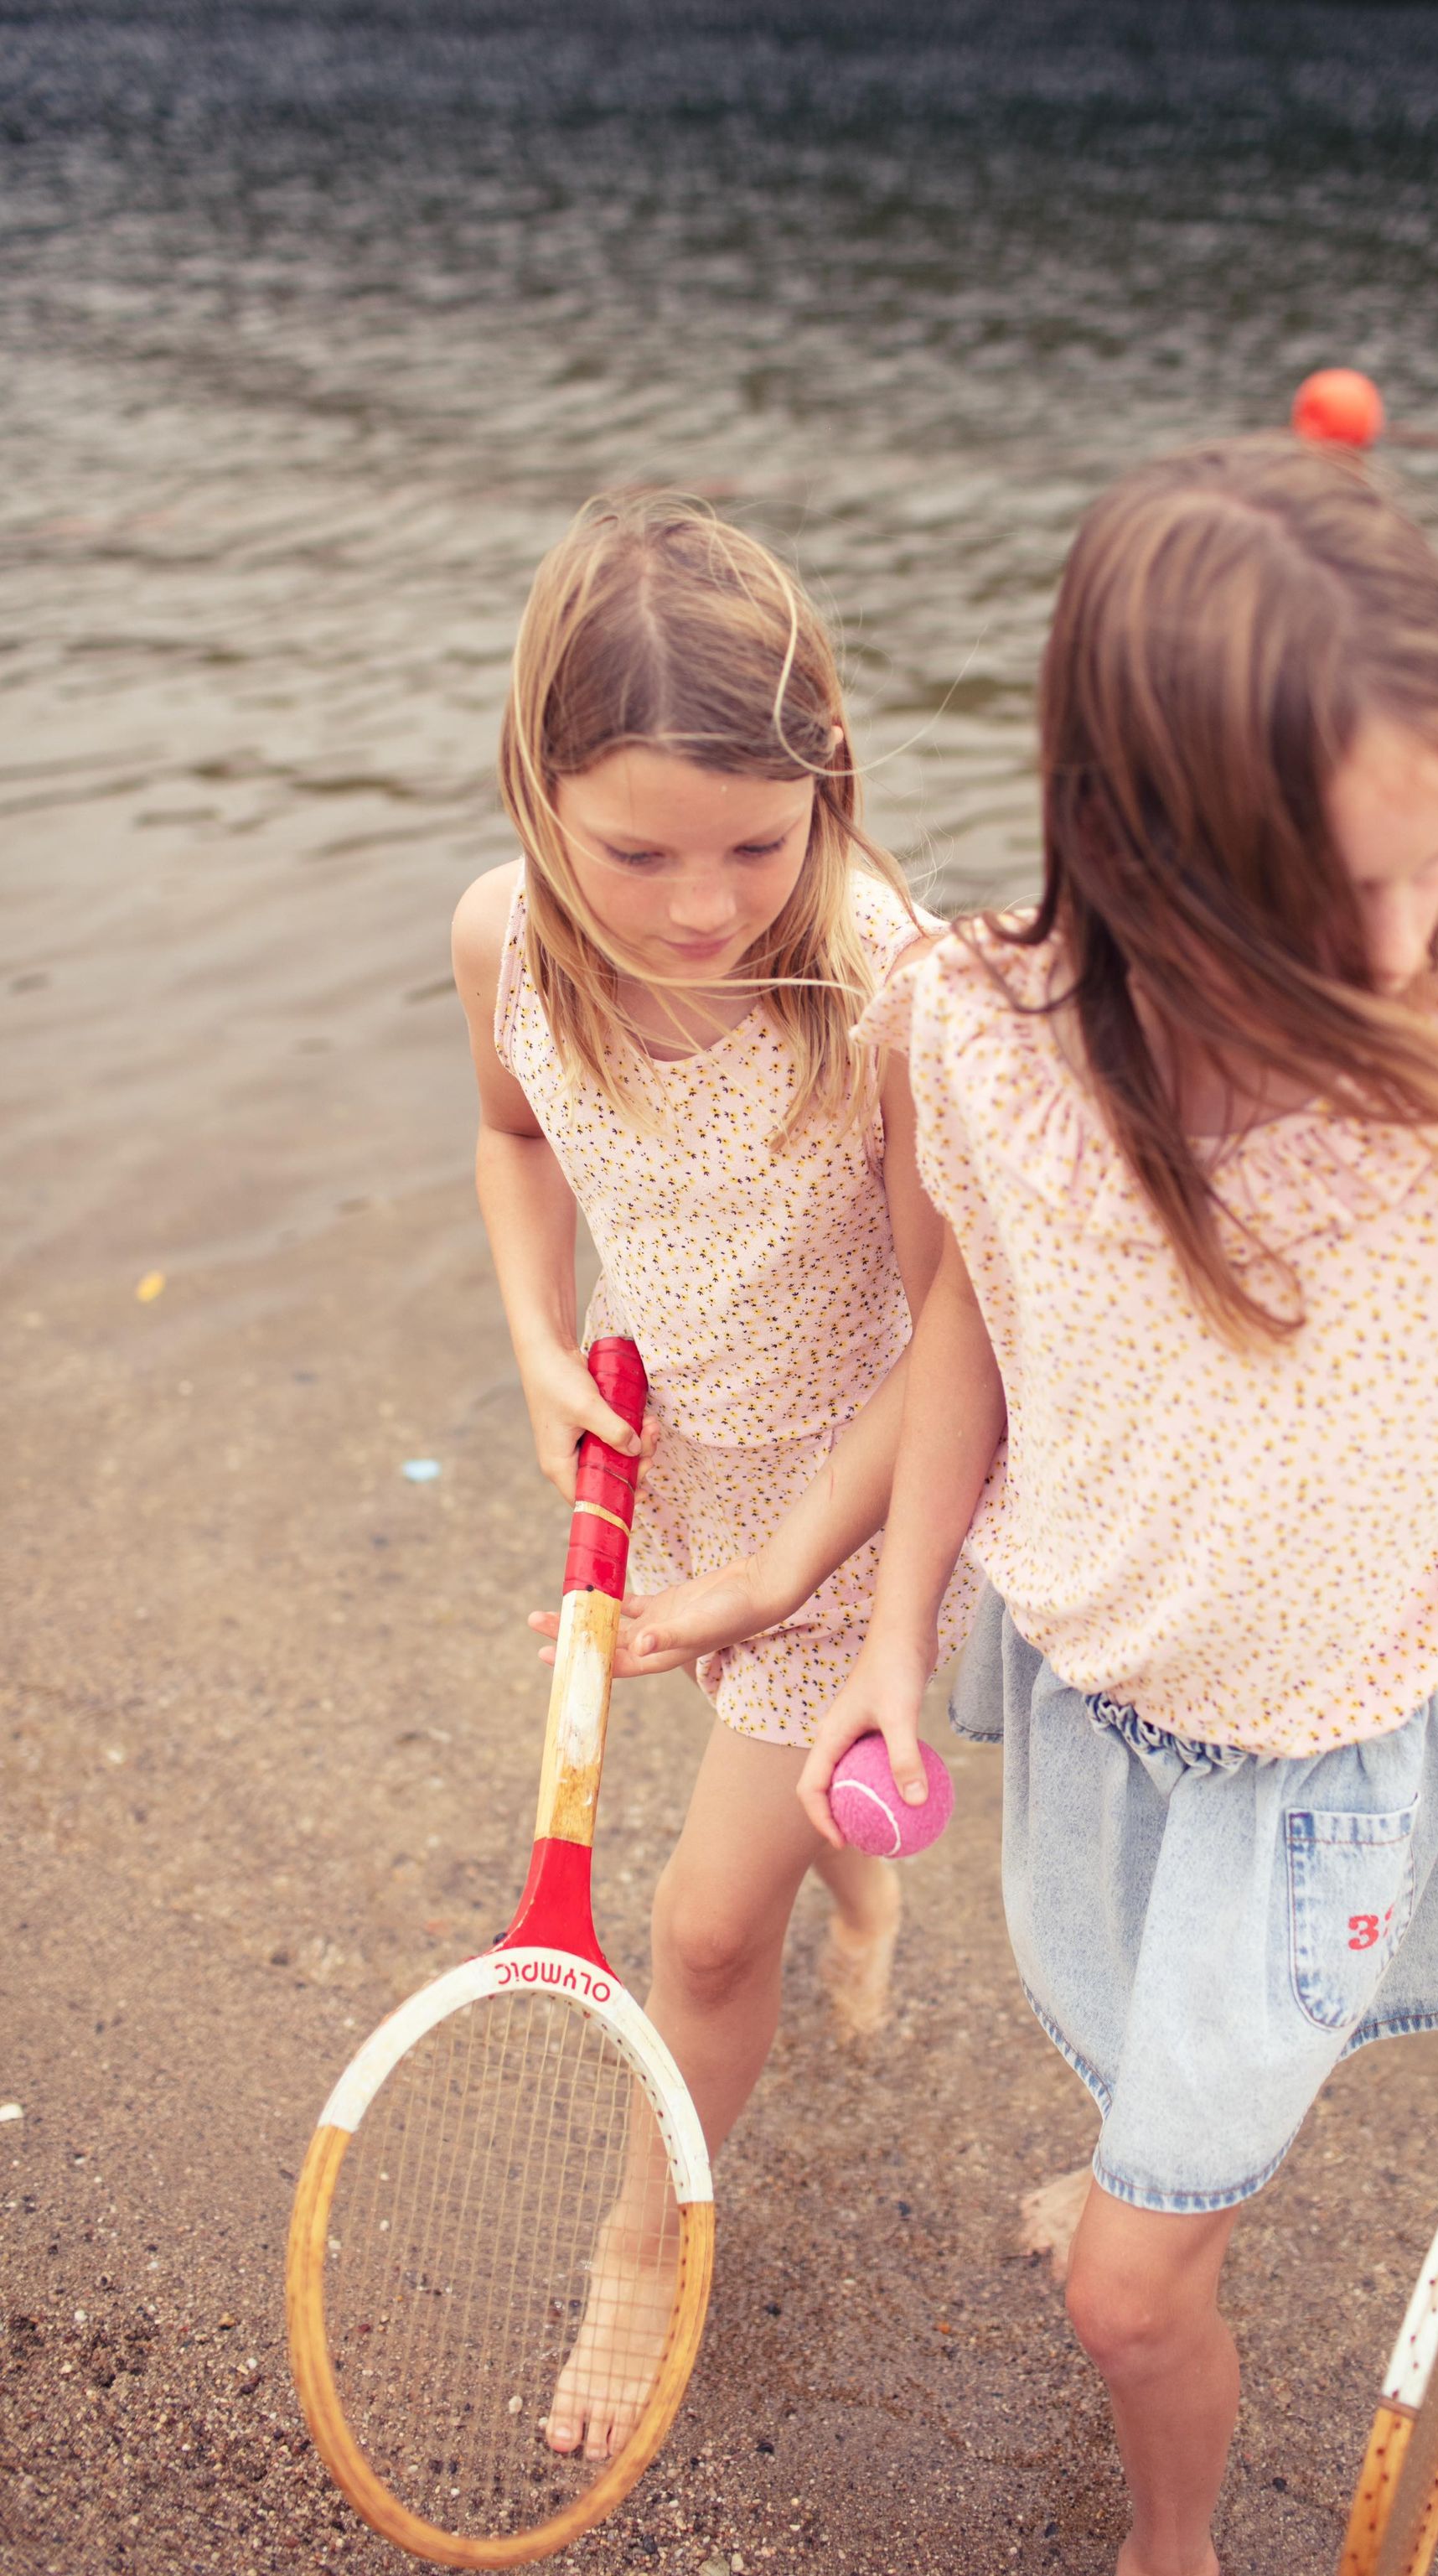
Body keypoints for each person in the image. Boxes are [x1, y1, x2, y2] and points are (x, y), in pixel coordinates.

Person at [788, 438, 1438, 2576]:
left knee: (1126, 2282)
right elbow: (967, 1342)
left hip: (1331, 1766)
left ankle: (1166, 2539)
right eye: (1320, 897)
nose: (1395, 949)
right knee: (1113, 2052)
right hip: (1097, 1701)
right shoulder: (983, 1035)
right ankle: (1155, 2170)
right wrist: (893, 1641)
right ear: (1130, 840)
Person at [450, 492, 975, 2462]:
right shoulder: (507, 936)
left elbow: (951, 1335)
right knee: (800, 1816)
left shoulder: (880, 984)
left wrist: (783, 1583)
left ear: (826, 785)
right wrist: (529, 1348)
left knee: (693, 1925)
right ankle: (864, 1877)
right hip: (664, 1465)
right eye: (637, 850)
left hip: (843, 1502)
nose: (696, 905)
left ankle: (642, 2242)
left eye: (755, 845)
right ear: (539, 791)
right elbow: (511, 1141)